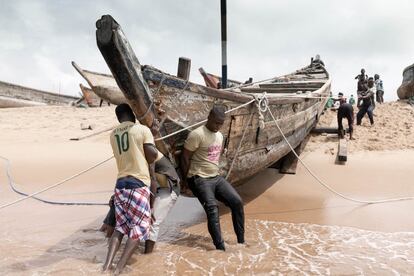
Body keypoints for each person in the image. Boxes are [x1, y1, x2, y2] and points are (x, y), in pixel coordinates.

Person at [102, 103, 158, 274]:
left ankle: (106, 266)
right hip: (138, 183)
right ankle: (119, 268)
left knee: (120, 227)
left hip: (120, 185)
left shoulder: (113, 134)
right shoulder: (141, 130)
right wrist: (153, 136)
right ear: (132, 114)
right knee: (140, 227)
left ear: (119, 118)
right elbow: (152, 156)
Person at [180, 106, 244, 251]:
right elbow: (185, 158)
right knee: (212, 208)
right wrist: (185, 181)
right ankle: (220, 248)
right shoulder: (197, 134)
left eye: (221, 123)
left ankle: (241, 242)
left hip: (215, 177)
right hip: (199, 177)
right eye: (216, 122)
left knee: (237, 202)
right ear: (209, 117)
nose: (218, 126)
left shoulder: (219, 136)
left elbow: (215, 157)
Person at [100, 150, 180, 254]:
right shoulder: (130, 157)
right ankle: (104, 239)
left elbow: (152, 181)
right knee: (118, 205)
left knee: (152, 222)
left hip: (167, 188)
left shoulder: (147, 154)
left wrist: (150, 208)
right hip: (147, 186)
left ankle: (147, 254)